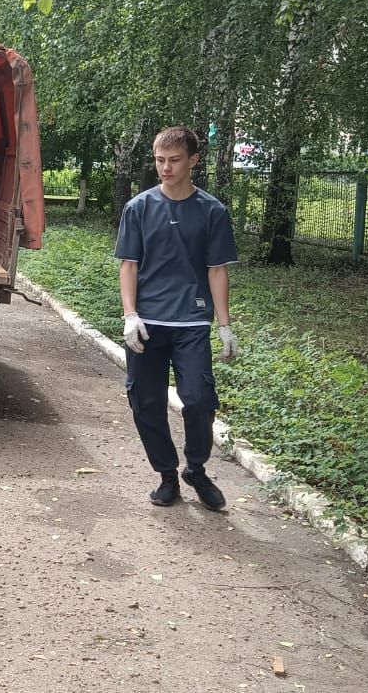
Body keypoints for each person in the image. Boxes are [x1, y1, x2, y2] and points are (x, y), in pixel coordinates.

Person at [113, 125, 240, 510]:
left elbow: (217, 269)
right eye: (159, 160)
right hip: (148, 323)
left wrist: (225, 325)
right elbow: (128, 265)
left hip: (191, 322)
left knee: (199, 399)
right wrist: (130, 315)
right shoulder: (139, 208)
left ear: (193, 161)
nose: (165, 168)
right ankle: (167, 476)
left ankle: (196, 469)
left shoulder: (212, 211)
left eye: (174, 160)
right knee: (146, 402)